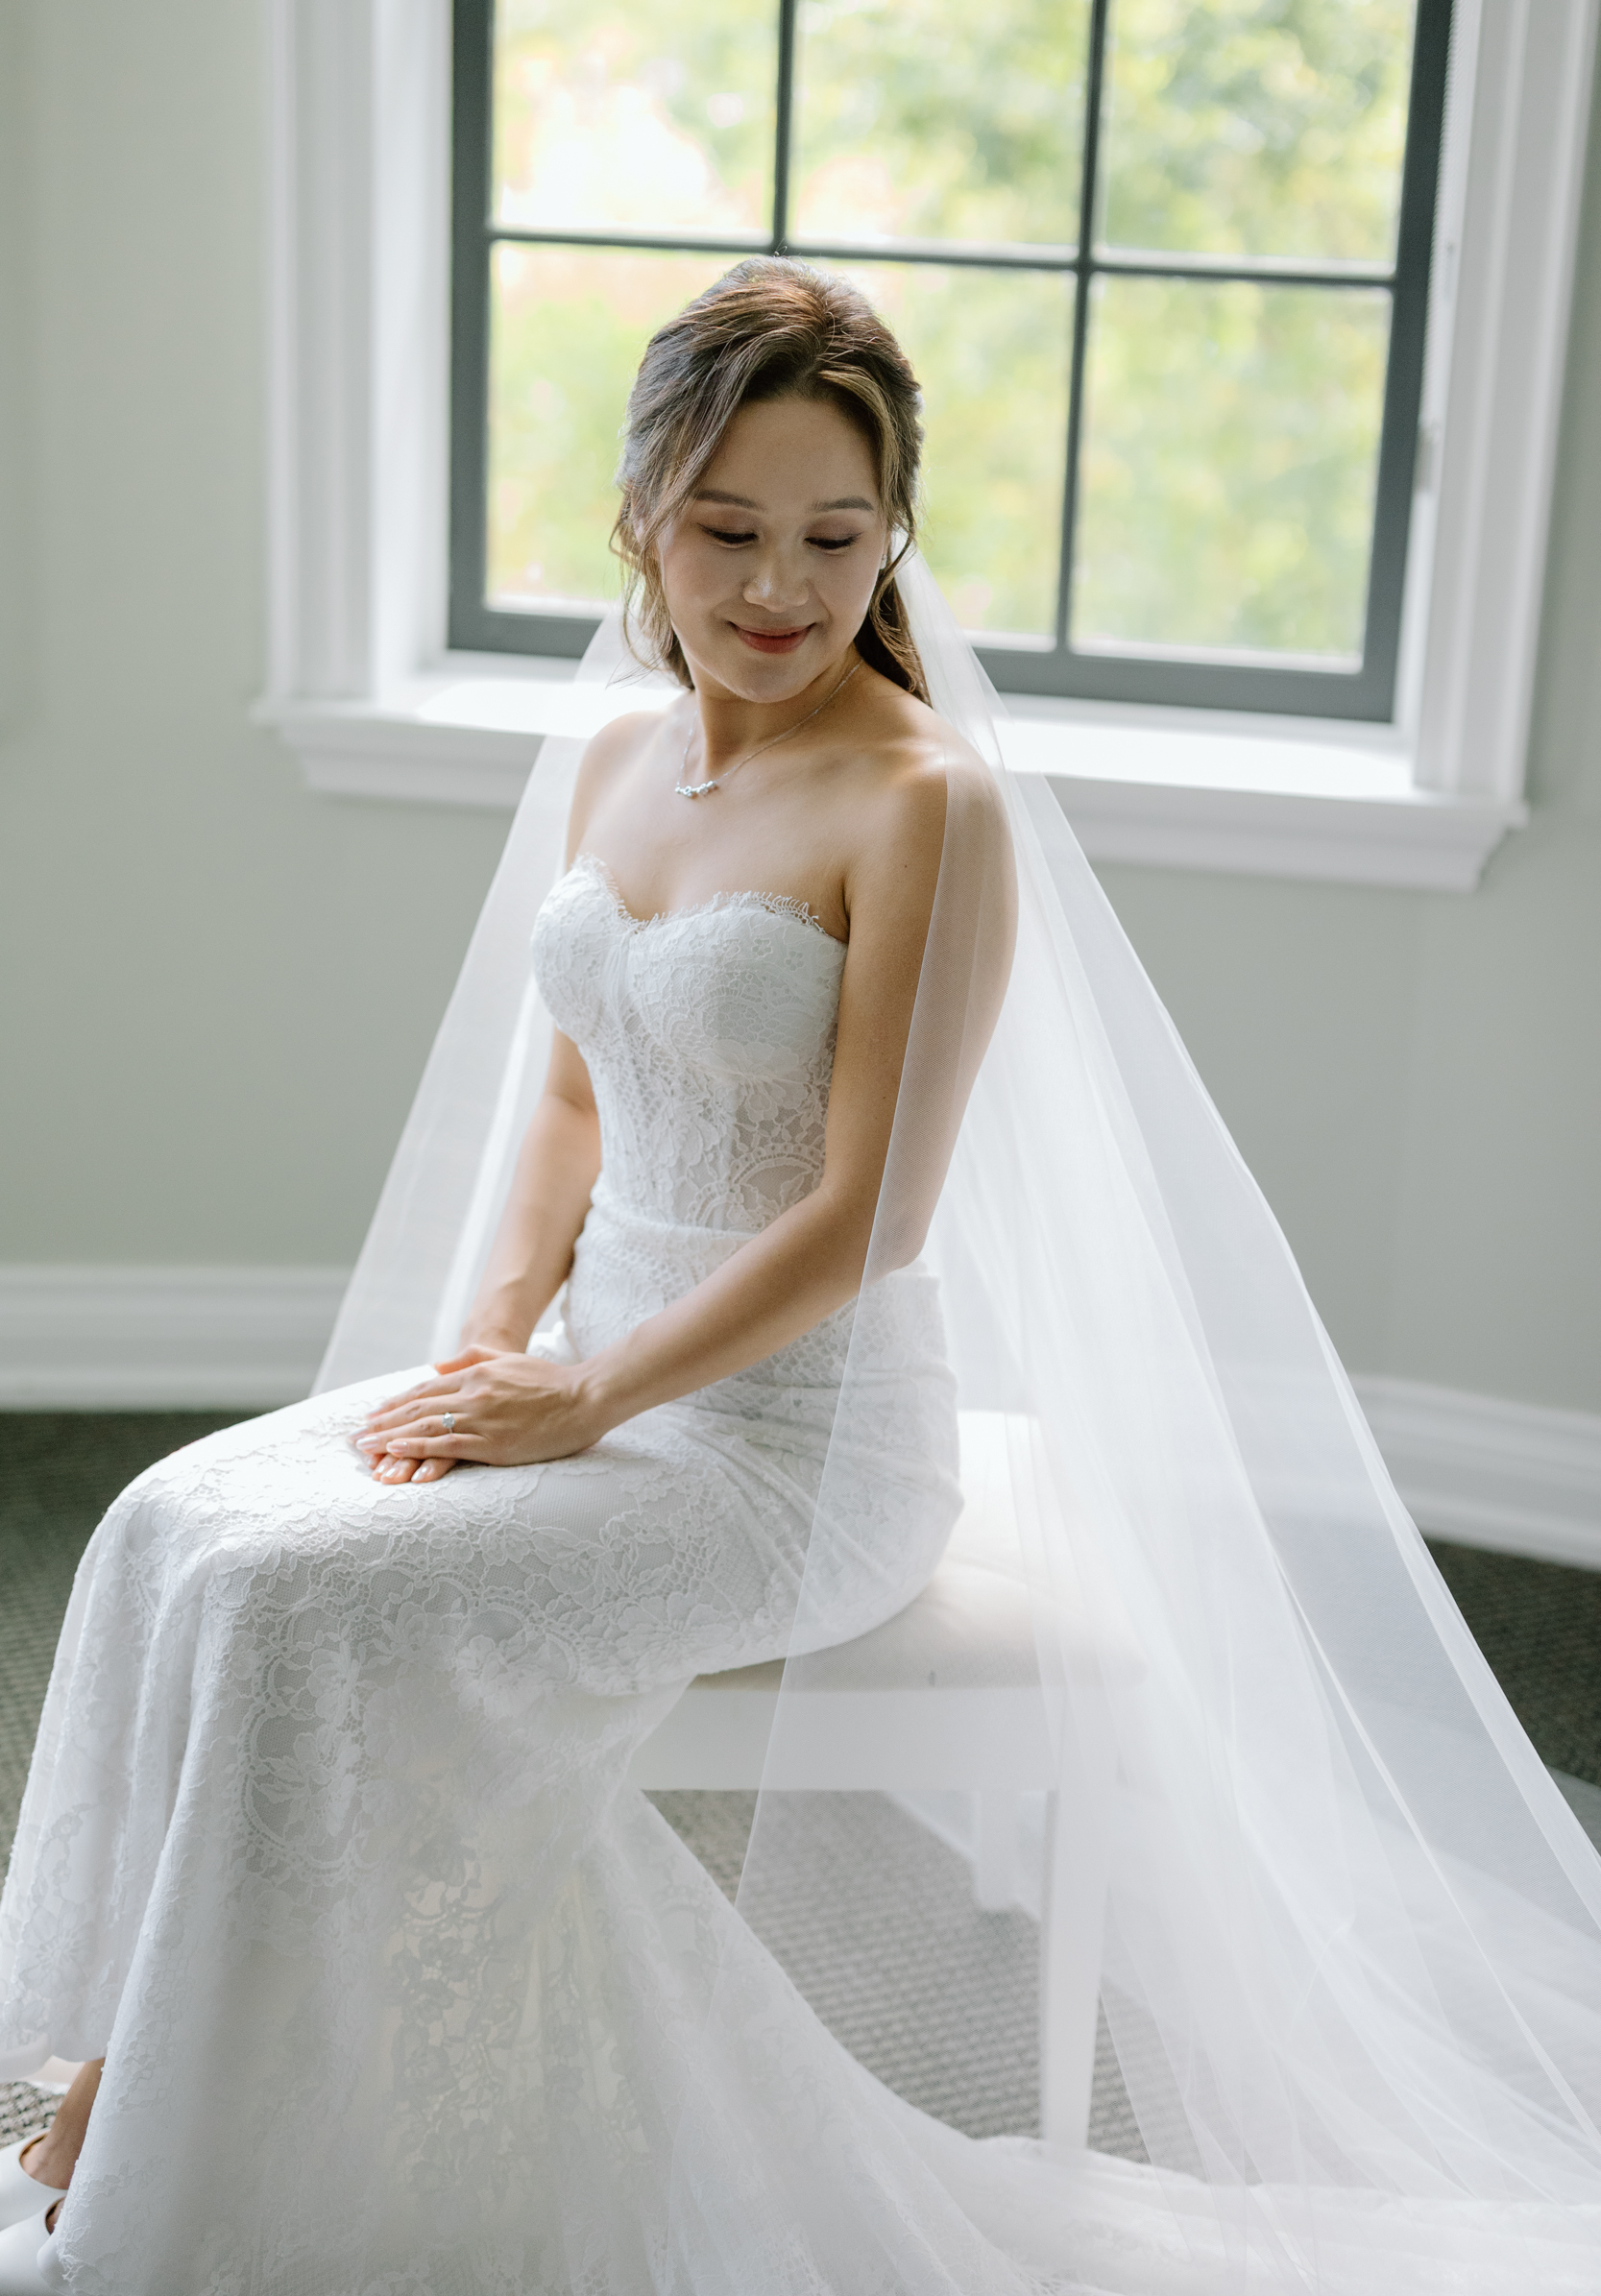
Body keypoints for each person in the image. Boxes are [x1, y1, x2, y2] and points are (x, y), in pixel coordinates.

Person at [1, 261, 1598, 2294]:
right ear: (642, 525)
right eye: (728, 531)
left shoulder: (928, 799)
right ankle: (125, 2063)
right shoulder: (614, 759)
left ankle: (176, 2119)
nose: (779, 585)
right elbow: (570, 1122)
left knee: (303, 1608)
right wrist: (489, 1349)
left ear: (893, 534)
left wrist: (586, 1404)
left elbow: (873, 1214)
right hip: (588, 1364)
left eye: (837, 537)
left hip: (798, 1448)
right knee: (171, 1525)